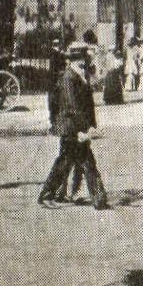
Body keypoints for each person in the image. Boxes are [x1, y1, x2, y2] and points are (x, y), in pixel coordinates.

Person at [38, 43, 108, 209]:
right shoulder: (69, 77)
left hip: (77, 126)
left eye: (84, 60)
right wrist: (86, 127)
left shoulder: (80, 76)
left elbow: (87, 105)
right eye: (80, 60)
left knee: (77, 161)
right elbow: (72, 106)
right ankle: (98, 199)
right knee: (74, 161)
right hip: (71, 127)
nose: (84, 63)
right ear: (74, 61)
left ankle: (98, 199)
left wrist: (91, 125)